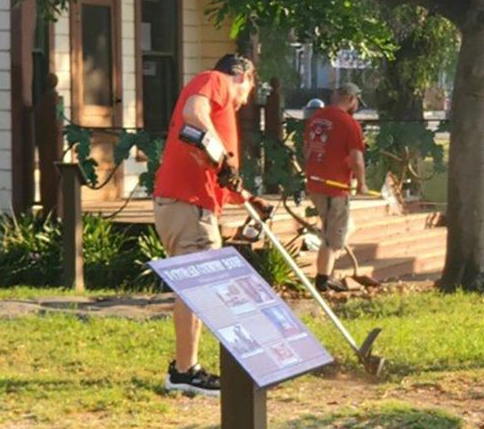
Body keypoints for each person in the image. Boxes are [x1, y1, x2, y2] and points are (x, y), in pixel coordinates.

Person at [152, 53, 274, 395]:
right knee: (199, 287)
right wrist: (221, 156)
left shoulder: (220, 112)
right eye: (249, 90)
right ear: (244, 77)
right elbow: (195, 113)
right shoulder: (214, 80)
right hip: (187, 207)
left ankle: (185, 369)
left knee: (198, 286)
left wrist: (247, 198)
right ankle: (184, 372)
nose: (246, 99)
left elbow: (218, 172)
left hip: (190, 206)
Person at [304, 82, 368, 292]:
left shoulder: (316, 118)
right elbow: (357, 159)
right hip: (336, 186)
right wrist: (362, 184)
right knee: (333, 236)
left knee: (331, 231)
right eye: (357, 101)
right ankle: (323, 279)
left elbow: (307, 149)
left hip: (315, 183)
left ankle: (327, 272)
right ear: (351, 99)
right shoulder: (349, 124)